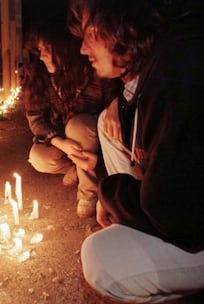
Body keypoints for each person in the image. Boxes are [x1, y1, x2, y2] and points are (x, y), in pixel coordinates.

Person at [71, 0, 204, 302]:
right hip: (182, 206)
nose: (82, 49)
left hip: (188, 220)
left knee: (102, 258)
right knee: (108, 122)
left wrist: (110, 192)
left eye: (89, 33)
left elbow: (173, 213)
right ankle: (129, 224)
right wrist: (120, 104)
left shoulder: (179, 66)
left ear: (118, 19)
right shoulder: (168, 51)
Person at [23, 20, 122, 218]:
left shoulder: (93, 72)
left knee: (77, 126)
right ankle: (77, 167)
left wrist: (114, 105)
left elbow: (115, 95)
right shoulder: (39, 77)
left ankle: (88, 193)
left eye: (48, 49)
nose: (42, 56)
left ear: (65, 48)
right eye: (39, 50)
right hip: (63, 142)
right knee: (38, 157)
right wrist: (60, 143)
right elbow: (35, 119)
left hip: (89, 136)